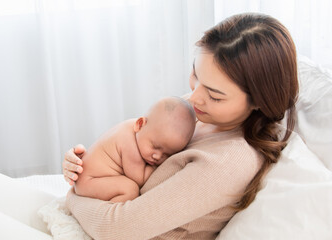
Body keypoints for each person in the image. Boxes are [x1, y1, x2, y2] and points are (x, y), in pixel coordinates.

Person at [63, 13, 298, 239]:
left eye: (215, 96)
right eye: (196, 74)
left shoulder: (228, 161)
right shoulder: (197, 113)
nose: (193, 97)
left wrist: (75, 195)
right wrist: (85, 166)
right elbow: (132, 140)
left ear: (258, 100)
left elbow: (114, 230)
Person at [73, 96, 196, 202]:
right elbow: (140, 179)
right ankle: (107, 212)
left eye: (168, 155)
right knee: (130, 188)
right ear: (140, 124)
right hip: (89, 182)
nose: (158, 156)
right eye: (155, 146)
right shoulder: (130, 146)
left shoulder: (139, 129)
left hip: (90, 179)